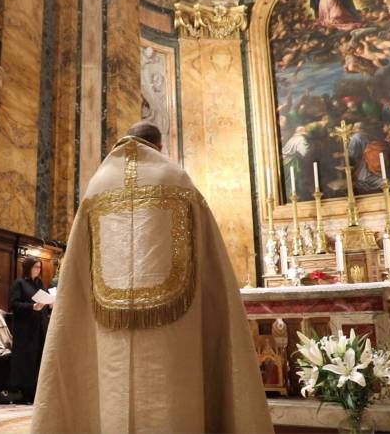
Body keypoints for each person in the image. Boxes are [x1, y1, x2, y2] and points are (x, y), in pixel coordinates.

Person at [31, 121, 273, 433]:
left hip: (109, 336)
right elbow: (212, 267)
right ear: (158, 147)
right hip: (174, 338)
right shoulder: (176, 179)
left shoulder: (97, 186)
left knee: (110, 395)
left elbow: (76, 273)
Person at [9, 257, 49, 404]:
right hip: (25, 329)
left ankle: (35, 392)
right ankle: (24, 394)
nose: (38, 270)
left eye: (39, 267)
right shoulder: (19, 283)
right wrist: (31, 307)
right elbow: (14, 304)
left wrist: (49, 304)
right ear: (28, 268)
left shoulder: (40, 283)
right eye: (35, 267)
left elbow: (44, 301)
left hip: (39, 327)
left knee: (37, 359)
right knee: (26, 361)